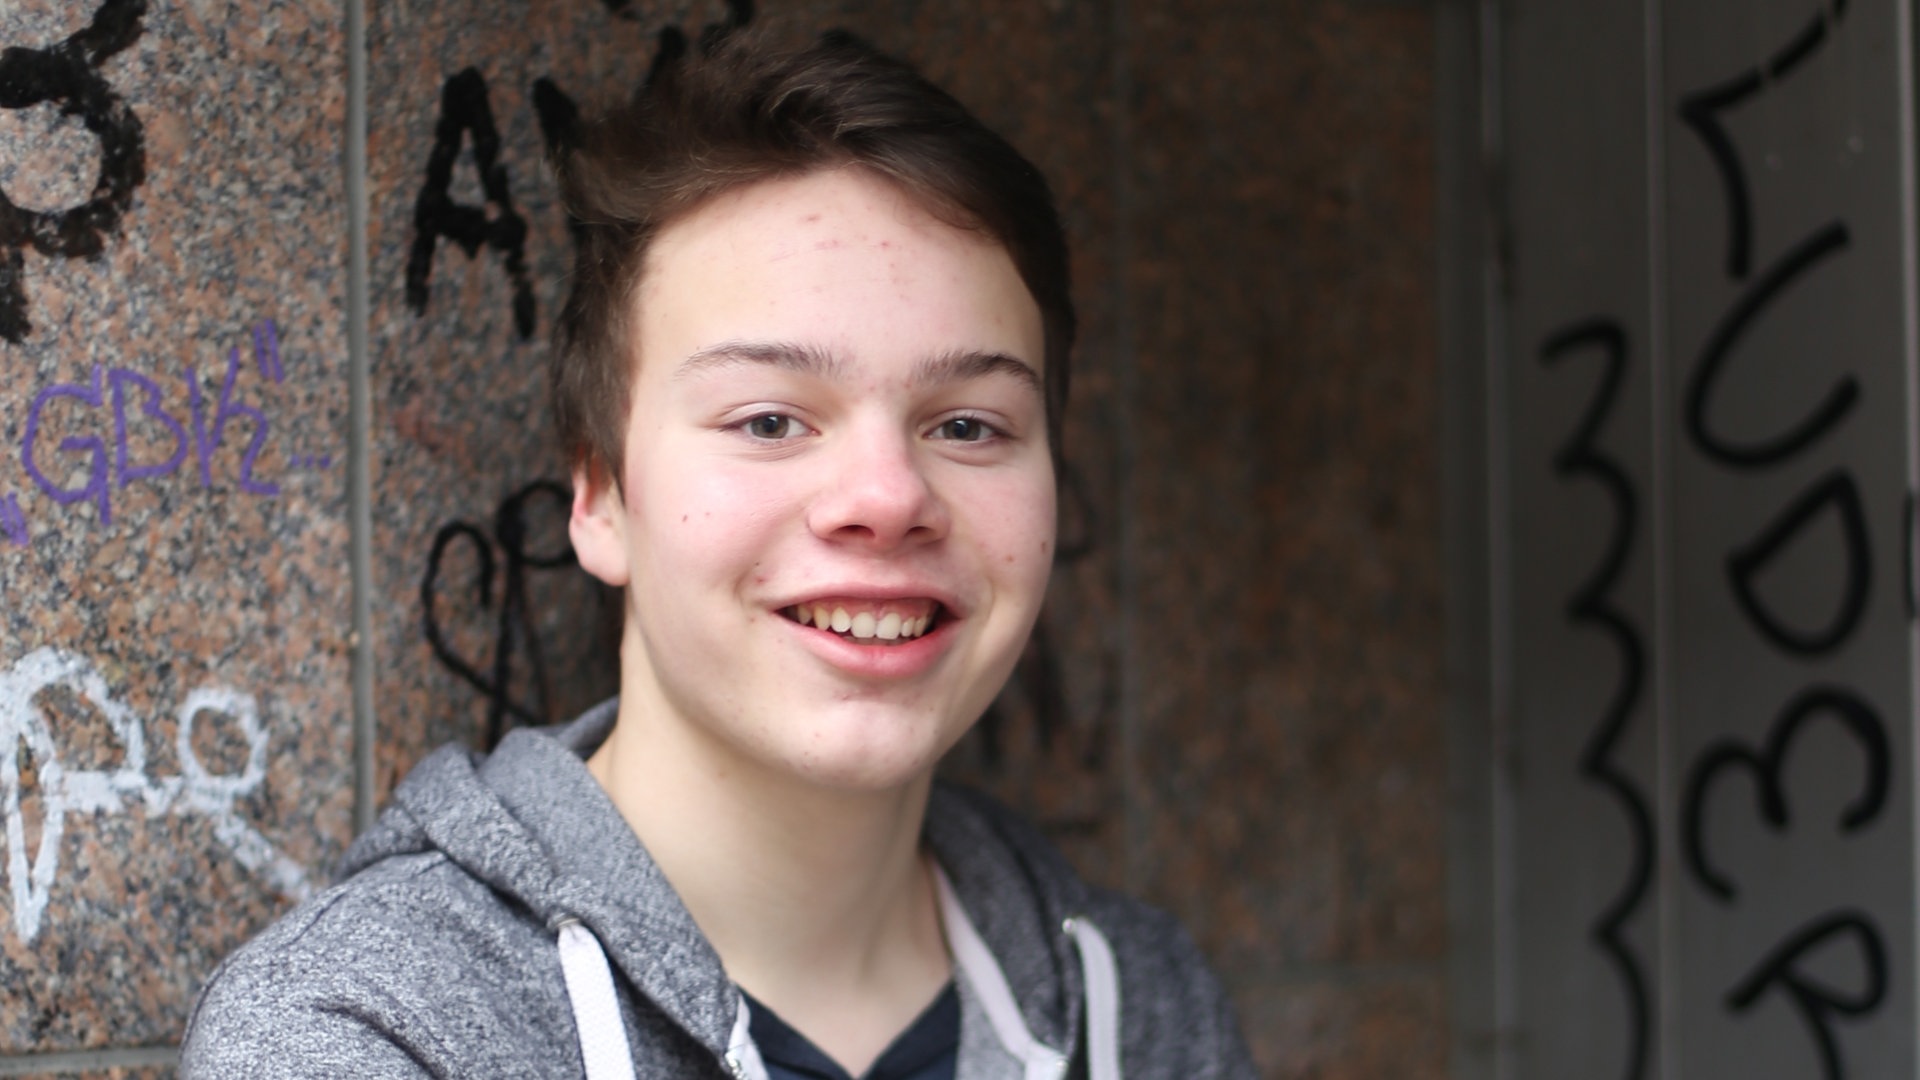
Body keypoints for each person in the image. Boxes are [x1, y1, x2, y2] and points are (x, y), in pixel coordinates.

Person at [182, 28, 1255, 1080]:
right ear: (600, 495)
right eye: (770, 420)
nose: (887, 499)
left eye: (969, 425)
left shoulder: (1142, 1010)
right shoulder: (367, 1032)